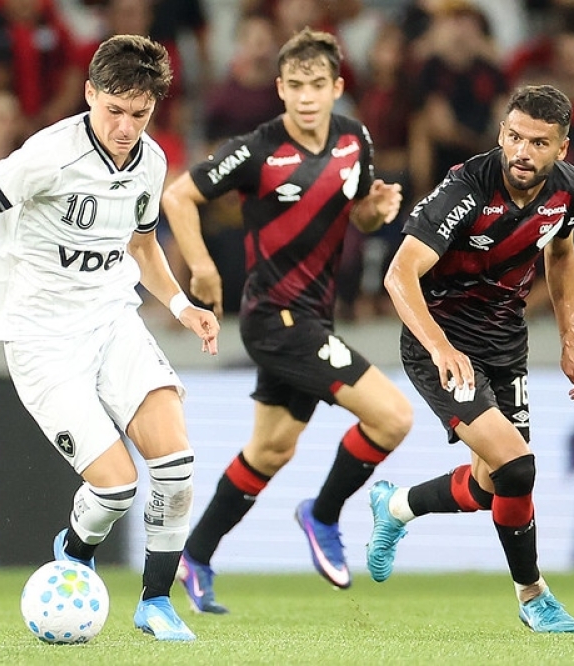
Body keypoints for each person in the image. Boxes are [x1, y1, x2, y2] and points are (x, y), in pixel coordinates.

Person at [0, 34, 219, 642]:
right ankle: (74, 550)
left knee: (176, 465)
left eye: (139, 115)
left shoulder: (149, 161)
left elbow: (142, 245)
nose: (125, 127)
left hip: (112, 319)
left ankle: (155, 603)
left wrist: (180, 304)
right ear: (90, 93)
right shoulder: (49, 156)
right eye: (114, 110)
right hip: (42, 339)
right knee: (117, 486)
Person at [162, 27, 413, 614]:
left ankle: (193, 556)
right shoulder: (256, 149)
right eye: (295, 85)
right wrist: (201, 271)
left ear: (337, 88)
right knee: (393, 418)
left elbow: (359, 218)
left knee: (270, 450)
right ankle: (322, 516)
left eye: (317, 85)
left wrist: (374, 213)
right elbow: (179, 197)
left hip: (313, 317)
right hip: (274, 320)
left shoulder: (355, 140)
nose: (306, 97)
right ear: (279, 88)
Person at [369, 84, 574, 633]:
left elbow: (561, 253)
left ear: (562, 150)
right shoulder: (465, 189)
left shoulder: (568, 191)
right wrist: (441, 348)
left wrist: (569, 340)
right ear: (501, 133)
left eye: (539, 143)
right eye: (514, 137)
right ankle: (533, 595)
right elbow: (398, 275)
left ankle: (397, 506)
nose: (523, 152)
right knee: (518, 466)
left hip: (504, 344)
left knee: (496, 484)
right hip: (440, 342)